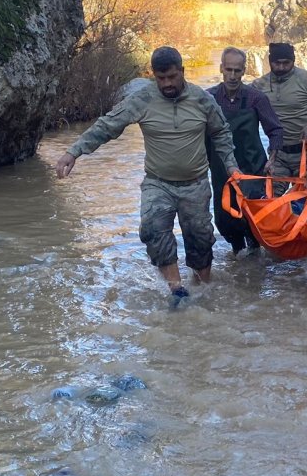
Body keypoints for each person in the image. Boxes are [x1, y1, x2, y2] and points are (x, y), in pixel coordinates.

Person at [55, 46, 240, 308]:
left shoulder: (202, 100)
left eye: (172, 77)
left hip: (195, 184)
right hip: (157, 183)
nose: (167, 84)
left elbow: (221, 132)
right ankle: (177, 290)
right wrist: (73, 152)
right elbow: (107, 126)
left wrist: (231, 166)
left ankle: (203, 291)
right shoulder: (142, 99)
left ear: (182, 72)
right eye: (160, 78)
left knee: (200, 240)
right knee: (153, 230)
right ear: (154, 75)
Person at [206, 47, 284, 254]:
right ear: (221, 68)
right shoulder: (208, 98)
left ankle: (256, 257)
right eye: (229, 70)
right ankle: (238, 258)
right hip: (221, 170)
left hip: (253, 168)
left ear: (244, 71)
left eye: (237, 70)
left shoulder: (256, 98)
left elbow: (275, 130)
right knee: (225, 220)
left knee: (253, 219)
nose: (232, 76)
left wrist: (273, 157)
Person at [253, 42, 307, 193]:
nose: (281, 67)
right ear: (270, 61)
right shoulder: (258, 86)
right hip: (277, 154)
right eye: (277, 63)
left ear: (293, 60)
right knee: (271, 200)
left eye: (286, 63)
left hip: (306, 154)